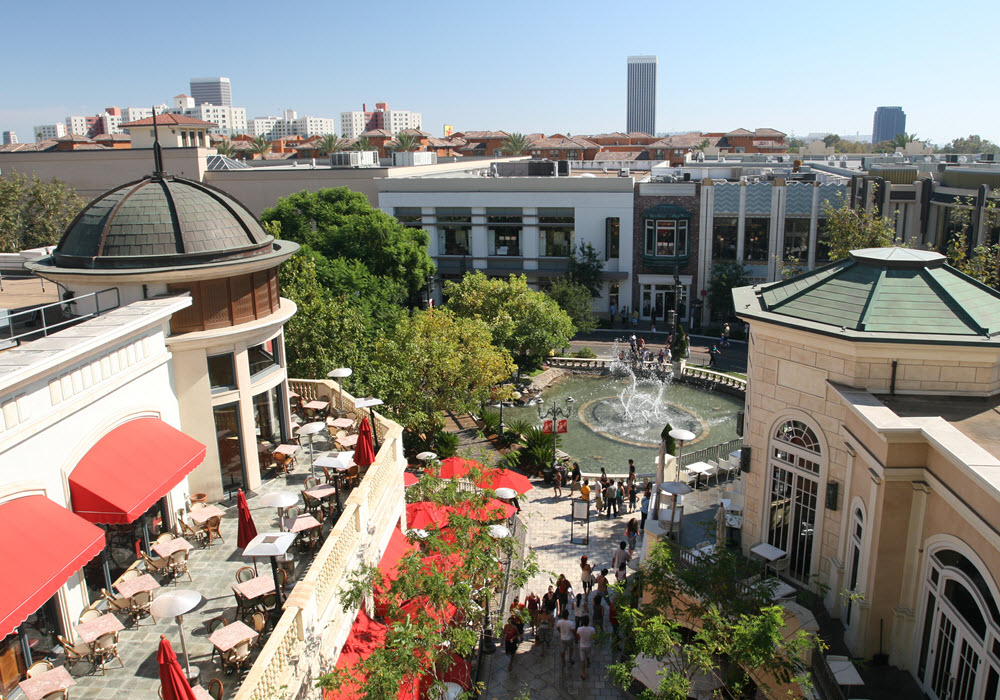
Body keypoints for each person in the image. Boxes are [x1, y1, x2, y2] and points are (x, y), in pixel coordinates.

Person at [576, 614, 596, 680]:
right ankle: (588, 663)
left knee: (582, 660)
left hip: (582, 645)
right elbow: (594, 637)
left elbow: (578, 637)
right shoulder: (592, 629)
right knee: (588, 655)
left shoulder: (579, 629)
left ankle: (583, 673)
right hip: (589, 645)